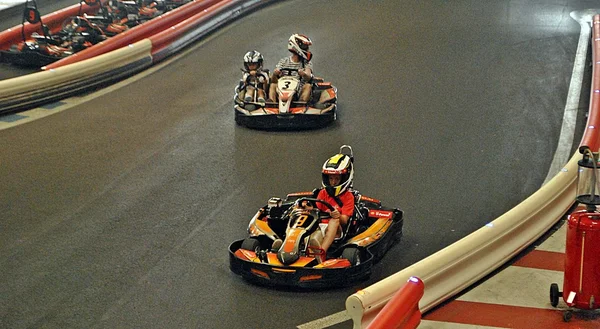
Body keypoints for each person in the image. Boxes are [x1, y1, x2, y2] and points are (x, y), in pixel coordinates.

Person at [305, 152, 355, 262]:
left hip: (336, 231)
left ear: (344, 179)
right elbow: (316, 210)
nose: (333, 182)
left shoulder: (348, 197)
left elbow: (345, 220)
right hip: (319, 226)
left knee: (334, 220)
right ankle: (289, 248)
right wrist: (306, 208)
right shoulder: (323, 193)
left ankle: (321, 252)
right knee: (303, 217)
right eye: (331, 178)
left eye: (337, 179)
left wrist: (337, 215)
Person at [268, 34, 314, 103]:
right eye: (305, 47)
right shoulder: (284, 61)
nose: (307, 50)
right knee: (273, 85)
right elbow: (274, 80)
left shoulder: (306, 63)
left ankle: (301, 104)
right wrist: (275, 74)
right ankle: (271, 103)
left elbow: (308, 76)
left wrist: (304, 74)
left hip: (298, 91)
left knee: (308, 86)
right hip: (282, 90)